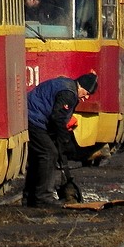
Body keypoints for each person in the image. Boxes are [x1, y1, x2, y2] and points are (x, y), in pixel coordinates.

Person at [23, 72, 98, 209]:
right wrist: (65, 141)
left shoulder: (67, 86)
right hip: (35, 119)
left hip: (31, 116)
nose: (86, 97)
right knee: (49, 154)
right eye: (86, 93)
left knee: (38, 158)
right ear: (80, 86)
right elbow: (57, 118)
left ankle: (30, 197)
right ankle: (42, 198)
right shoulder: (69, 93)